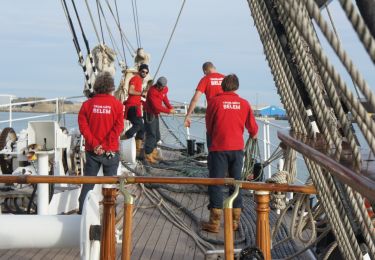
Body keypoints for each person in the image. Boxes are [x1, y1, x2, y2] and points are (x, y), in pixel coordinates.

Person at [202, 74, 258, 233]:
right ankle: (234, 221)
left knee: (216, 183)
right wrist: (253, 134)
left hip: (219, 148)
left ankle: (214, 222)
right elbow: (253, 129)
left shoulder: (214, 102)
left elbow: (209, 127)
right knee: (236, 183)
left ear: (222, 86)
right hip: (237, 149)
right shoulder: (244, 104)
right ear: (237, 87)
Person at [77, 72, 124, 214]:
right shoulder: (117, 105)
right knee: (110, 187)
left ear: (96, 87)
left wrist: (96, 144)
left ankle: (82, 213)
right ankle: (111, 216)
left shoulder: (87, 105)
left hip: (92, 152)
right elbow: (118, 127)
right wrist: (104, 145)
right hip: (110, 151)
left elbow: (83, 127)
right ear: (111, 88)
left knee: (88, 184)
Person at [184, 62, 224, 129]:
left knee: (211, 136)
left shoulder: (205, 79)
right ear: (214, 68)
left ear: (205, 71)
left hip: (212, 113)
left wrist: (188, 115)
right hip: (227, 113)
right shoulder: (225, 78)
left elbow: (195, 99)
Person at [143, 76, 175, 163]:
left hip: (155, 114)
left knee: (157, 136)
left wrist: (170, 107)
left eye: (161, 86)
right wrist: (168, 111)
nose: (160, 87)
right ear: (157, 84)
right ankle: (147, 154)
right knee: (151, 134)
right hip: (149, 114)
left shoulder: (164, 89)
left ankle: (153, 152)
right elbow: (157, 107)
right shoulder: (152, 91)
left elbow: (164, 98)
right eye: (158, 86)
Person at [123, 63, 149, 157]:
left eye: (146, 72)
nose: (144, 73)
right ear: (139, 71)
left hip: (136, 107)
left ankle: (137, 150)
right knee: (138, 125)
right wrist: (141, 93)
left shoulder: (140, 81)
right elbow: (130, 90)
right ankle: (123, 139)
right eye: (143, 71)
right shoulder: (135, 79)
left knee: (142, 128)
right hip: (132, 107)